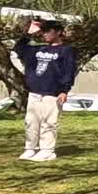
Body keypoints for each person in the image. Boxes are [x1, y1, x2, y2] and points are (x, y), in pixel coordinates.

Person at [14, 18, 77, 162]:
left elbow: (69, 71)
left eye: (48, 31)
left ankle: (47, 150)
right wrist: (29, 34)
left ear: (58, 32)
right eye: (43, 31)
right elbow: (19, 48)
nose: (45, 34)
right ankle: (30, 148)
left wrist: (64, 90)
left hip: (53, 93)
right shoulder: (38, 49)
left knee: (49, 122)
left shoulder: (66, 50)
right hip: (35, 91)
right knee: (31, 122)